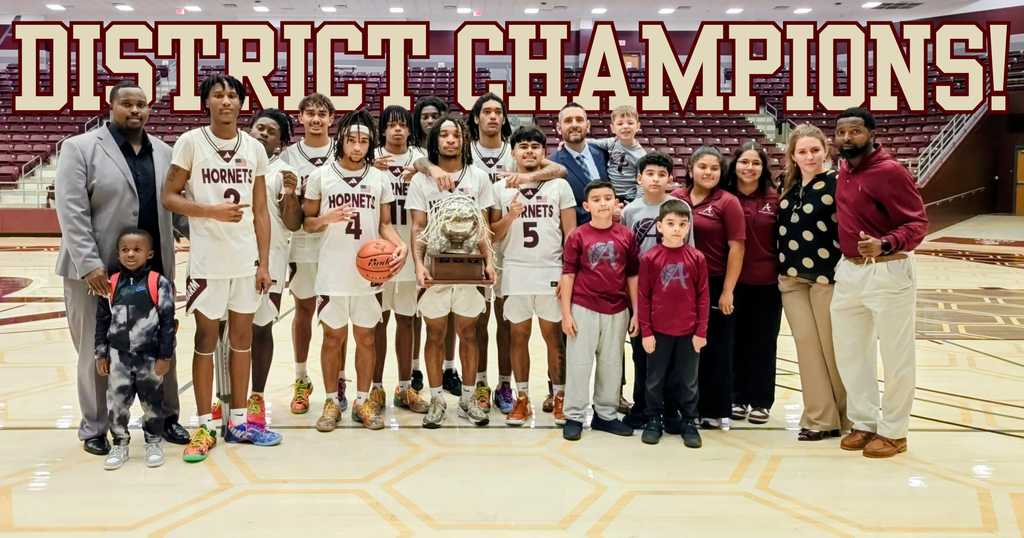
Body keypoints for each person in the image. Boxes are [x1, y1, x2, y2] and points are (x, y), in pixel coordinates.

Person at [55, 81, 188, 456]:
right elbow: (71, 210)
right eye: (127, 104)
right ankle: (96, 427)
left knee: (163, 345)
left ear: (149, 109)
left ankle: (165, 419)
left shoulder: (164, 152)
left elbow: (178, 209)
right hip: (96, 273)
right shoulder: (79, 148)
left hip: (152, 269)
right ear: (111, 106)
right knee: (95, 350)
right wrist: (89, 265)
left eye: (142, 105)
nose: (135, 110)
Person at [162, 74, 280, 463]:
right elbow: (169, 197)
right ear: (207, 103)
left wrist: (265, 262)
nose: (226, 101)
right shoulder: (191, 142)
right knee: (205, 340)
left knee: (243, 339)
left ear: (241, 103)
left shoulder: (255, 148)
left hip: (245, 261)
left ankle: (239, 421)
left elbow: (261, 211)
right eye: (218, 95)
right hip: (208, 262)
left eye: (232, 95)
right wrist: (209, 210)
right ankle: (204, 425)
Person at [830, 108, 927, 458]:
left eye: (855, 131)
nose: (846, 138)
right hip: (850, 271)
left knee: (896, 356)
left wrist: (885, 243)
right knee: (852, 353)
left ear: (872, 135)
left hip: (888, 268)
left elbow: (917, 224)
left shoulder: (891, 172)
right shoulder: (843, 169)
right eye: (841, 132)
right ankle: (864, 422)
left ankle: (895, 432)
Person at [303, 109, 408, 431]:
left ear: (371, 144)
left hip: (369, 275)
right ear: (342, 141)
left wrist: (399, 244)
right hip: (332, 274)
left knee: (366, 338)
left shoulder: (379, 179)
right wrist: (325, 219)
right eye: (352, 140)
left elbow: (385, 224)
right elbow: (306, 224)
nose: (358, 146)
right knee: (332, 339)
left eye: (364, 141)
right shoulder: (322, 176)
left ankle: (363, 402)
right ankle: (332, 402)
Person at [407, 115, 496, 428]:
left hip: (469, 270)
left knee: (469, 333)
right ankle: (436, 399)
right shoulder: (422, 180)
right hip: (435, 270)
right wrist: (418, 265)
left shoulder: (479, 177)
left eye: (455, 135)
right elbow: (418, 226)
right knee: (434, 334)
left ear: (464, 140)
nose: (449, 140)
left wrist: (488, 260)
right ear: (436, 141)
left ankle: (468, 399)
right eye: (443, 135)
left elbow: (483, 225)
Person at [489, 126, 577, 426]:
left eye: (535, 146)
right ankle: (522, 399)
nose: (529, 151)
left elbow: (572, 234)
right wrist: (511, 216)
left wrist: (569, 273)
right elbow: (493, 235)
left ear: (544, 152)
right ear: (512, 152)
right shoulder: (499, 187)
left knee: (555, 338)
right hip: (514, 270)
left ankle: (561, 396)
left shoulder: (559, 186)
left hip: (551, 271)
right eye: (522, 146)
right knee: (518, 337)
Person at [777, 124, 849, 442]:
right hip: (791, 280)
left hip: (827, 279)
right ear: (793, 155)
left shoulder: (838, 183)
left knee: (832, 349)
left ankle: (846, 418)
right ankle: (820, 418)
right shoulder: (787, 185)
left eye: (815, 150)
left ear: (826, 150)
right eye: (802, 151)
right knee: (806, 347)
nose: (809, 157)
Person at [670, 146, 745, 430]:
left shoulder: (728, 202)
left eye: (714, 168)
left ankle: (712, 410)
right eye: (702, 167)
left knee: (715, 348)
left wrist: (728, 290)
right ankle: (679, 407)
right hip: (678, 282)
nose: (708, 172)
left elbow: (737, 247)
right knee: (681, 349)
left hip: (713, 281)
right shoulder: (676, 198)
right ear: (690, 170)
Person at [560, 179, 639, 441]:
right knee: (579, 363)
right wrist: (566, 313)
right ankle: (574, 415)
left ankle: (605, 415)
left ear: (616, 203)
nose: (603, 203)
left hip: (617, 309)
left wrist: (636, 311)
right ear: (586, 205)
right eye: (597, 199)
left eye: (608, 198)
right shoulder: (578, 235)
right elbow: (569, 275)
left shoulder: (626, 235)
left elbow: (632, 276)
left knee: (612, 364)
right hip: (583, 307)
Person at [620, 152, 693, 432]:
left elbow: (691, 252)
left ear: (670, 179)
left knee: (673, 356)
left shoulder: (680, 209)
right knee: (642, 352)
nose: (655, 179)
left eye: (662, 174)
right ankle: (643, 405)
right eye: (650, 173)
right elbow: (628, 256)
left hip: (673, 292)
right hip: (640, 293)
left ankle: (671, 408)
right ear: (639, 178)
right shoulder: (630, 212)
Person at [94, 229, 177, 470]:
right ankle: (120, 443)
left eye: (137, 250)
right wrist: (101, 353)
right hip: (118, 356)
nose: (131, 254)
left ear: (149, 254)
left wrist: (164, 355)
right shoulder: (110, 283)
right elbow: (102, 320)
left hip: (149, 356)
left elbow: (167, 322)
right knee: (118, 402)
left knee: (152, 401)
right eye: (125, 250)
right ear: (118, 255)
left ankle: (153, 441)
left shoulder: (158, 282)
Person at [279, 92, 336, 415]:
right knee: (304, 311)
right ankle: (302, 378)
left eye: (321, 114)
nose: (316, 119)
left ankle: (338, 380)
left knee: (334, 318)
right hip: (301, 243)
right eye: (309, 113)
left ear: (331, 119)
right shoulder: (288, 157)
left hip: (337, 244)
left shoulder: (344, 153)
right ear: (300, 118)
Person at [372, 105, 430, 413]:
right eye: (391, 125)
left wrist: (423, 168)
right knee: (377, 320)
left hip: (411, 249)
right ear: (382, 130)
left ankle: (405, 387)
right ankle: (376, 387)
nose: (397, 130)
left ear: (410, 130)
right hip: (378, 252)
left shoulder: (421, 159)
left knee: (407, 320)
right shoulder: (371, 159)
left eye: (402, 125)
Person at [248, 109, 303, 425]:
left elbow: (294, 223)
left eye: (271, 131)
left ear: (281, 142)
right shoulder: (234, 164)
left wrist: (292, 194)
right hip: (234, 257)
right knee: (226, 330)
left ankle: (256, 397)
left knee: (261, 327)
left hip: (272, 260)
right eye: (259, 127)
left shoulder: (283, 172)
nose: (263, 133)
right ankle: (224, 396)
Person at [637, 201, 708, 448]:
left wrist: (701, 331)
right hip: (658, 331)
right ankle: (654, 418)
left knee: (688, 380)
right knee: (655, 379)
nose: (676, 229)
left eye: (681, 224)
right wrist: (646, 332)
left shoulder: (697, 257)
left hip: (689, 332)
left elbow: (703, 296)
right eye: (670, 224)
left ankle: (688, 419)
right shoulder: (650, 257)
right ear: (660, 226)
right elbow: (643, 297)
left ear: (688, 227)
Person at [723, 142, 782, 426]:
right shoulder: (723, 196)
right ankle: (736, 396)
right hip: (730, 283)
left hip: (767, 283)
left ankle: (760, 401)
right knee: (733, 342)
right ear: (734, 166)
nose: (750, 167)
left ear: (763, 168)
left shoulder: (775, 198)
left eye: (755, 163)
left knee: (763, 343)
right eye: (744, 162)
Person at [409, 95, 461, 395]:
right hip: (421, 249)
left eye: (436, 116)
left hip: (464, 254)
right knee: (423, 317)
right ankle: (417, 369)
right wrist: (431, 169)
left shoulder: (465, 161)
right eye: (425, 117)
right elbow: (418, 161)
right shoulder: (421, 156)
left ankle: (450, 369)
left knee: (457, 319)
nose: (430, 121)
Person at [548, 102, 610, 227]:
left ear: (587, 126)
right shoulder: (552, 163)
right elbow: (555, 208)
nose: (574, 125)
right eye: (568, 121)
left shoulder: (605, 154)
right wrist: (603, 212)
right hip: (578, 235)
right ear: (559, 128)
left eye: (579, 120)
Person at [587, 105, 647, 203]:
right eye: (620, 123)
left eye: (630, 123)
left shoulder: (641, 155)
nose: (625, 126)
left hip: (629, 198)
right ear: (613, 128)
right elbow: (591, 142)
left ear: (637, 127)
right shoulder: (612, 143)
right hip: (610, 195)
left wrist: (635, 204)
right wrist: (568, 143)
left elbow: (641, 184)